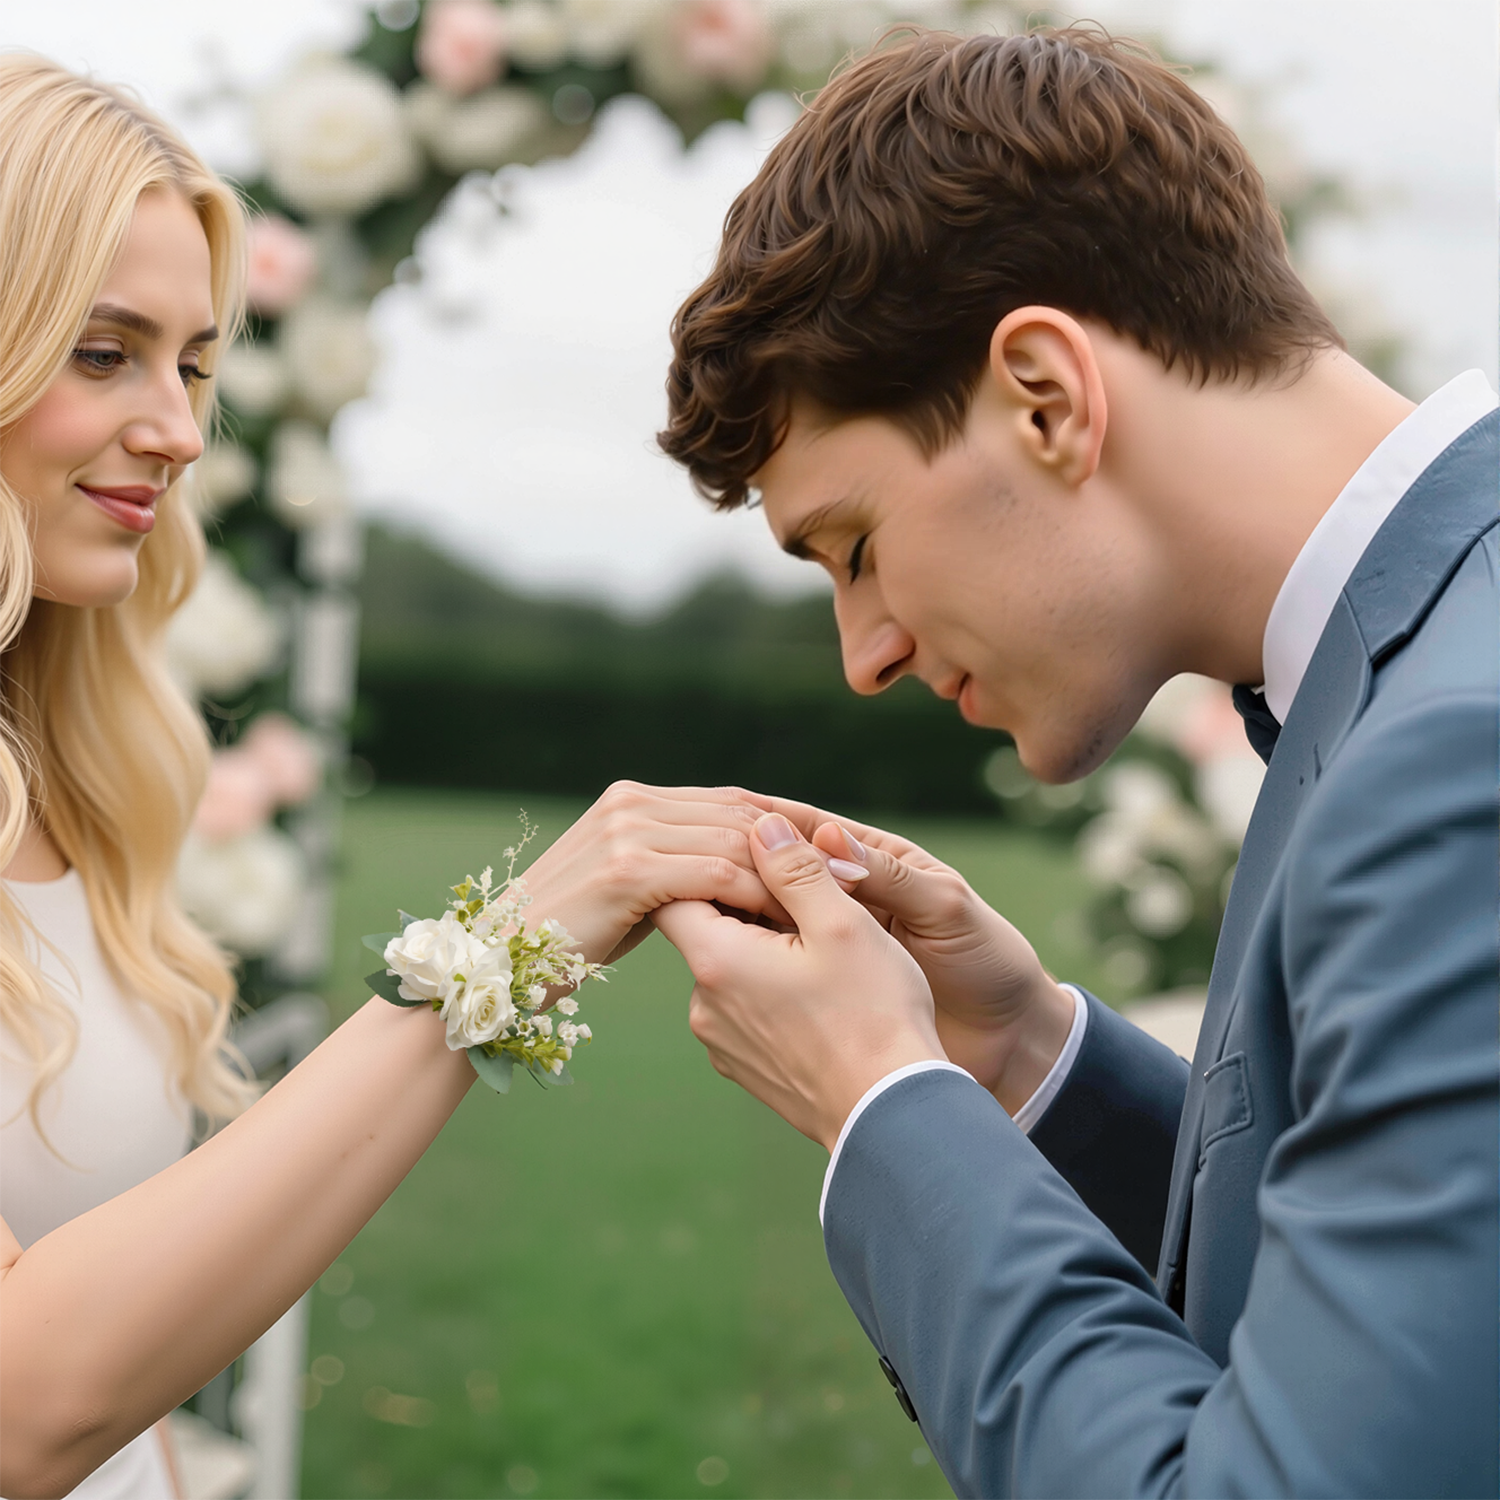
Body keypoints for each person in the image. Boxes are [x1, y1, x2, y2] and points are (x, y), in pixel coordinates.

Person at [652, 26, 1499, 1498]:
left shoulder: (1453, 762)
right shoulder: (1412, 668)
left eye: (855, 547)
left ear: (1045, 395)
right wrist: (1023, 1055)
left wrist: (883, 1102)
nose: (864, 655)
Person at [0, 58, 784, 1500]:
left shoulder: (77, 788)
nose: (178, 429)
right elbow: (19, 1404)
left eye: (194, 366)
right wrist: (507, 953)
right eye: (104, 353)